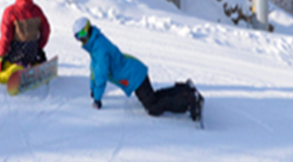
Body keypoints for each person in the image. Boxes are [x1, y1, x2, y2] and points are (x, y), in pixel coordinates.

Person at [72, 17, 203, 121]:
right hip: (134, 72)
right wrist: (92, 88)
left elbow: (101, 74)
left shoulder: (99, 47)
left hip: (134, 75)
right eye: (78, 36)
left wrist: (97, 99)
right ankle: (184, 90)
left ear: (89, 29)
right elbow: (94, 70)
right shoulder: (95, 45)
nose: (82, 38)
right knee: (154, 97)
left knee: (153, 107)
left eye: (83, 33)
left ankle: (189, 102)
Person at [0, 0, 50, 84]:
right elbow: (46, 29)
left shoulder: (10, 12)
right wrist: (39, 47)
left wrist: (2, 55)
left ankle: (16, 70)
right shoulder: (37, 10)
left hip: (16, 53)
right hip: (32, 52)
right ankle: (34, 65)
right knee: (32, 58)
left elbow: (6, 36)